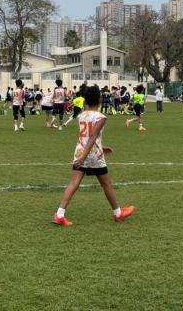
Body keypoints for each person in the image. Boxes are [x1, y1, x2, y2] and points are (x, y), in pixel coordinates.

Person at [52, 85, 134, 227]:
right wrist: (86, 156)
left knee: (73, 183)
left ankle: (59, 214)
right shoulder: (101, 117)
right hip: (93, 154)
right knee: (106, 184)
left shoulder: (81, 115)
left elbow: (87, 137)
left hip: (80, 150)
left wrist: (94, 150)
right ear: (99, 99)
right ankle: (118, 213)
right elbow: (93, 136)